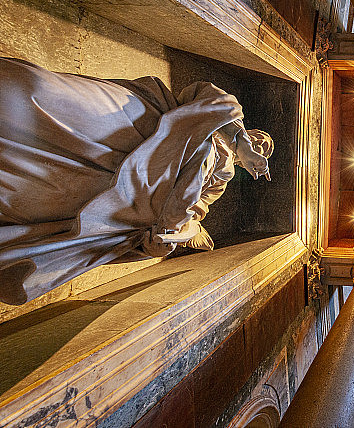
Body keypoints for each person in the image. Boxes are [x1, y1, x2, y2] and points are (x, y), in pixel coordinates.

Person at [0, 57, 272, 305]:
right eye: (259, 138)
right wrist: (240, 142)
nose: (259, 144)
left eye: (263, 148)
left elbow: (195, 209)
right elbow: (212, 97)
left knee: (37, 189)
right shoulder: (223, 111)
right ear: (251, 130)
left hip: (148, 186)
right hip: (147, 125)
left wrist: (169, 236)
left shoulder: (223, 175)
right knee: (36, 92)